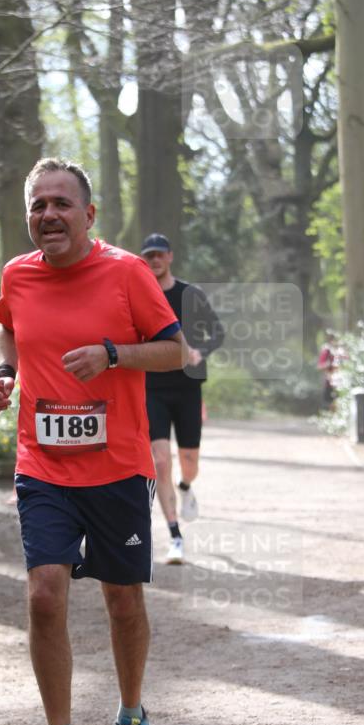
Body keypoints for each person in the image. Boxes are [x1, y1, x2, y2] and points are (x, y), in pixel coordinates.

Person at [0, 158, 183, 725]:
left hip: (118, 466)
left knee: (121, 599)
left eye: (61, 204)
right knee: (45, 593)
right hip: (41, 464)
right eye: (38, 205)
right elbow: (10, 335)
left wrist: (113, 354)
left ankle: (130, 716)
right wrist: (3, 377)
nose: (49, 215)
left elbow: (176, 349)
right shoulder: (18, 276)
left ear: (88, 214)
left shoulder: (126, 272)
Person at [140, 233, 224, 565]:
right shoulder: (141, 296)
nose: (155, 260)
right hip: (152, 388)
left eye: (160, 254)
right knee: (160, 460)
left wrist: (200, 351)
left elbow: (218, 331)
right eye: (149, 256)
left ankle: (186, 486)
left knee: (189, 462)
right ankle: (175, 537)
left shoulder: (190, 294)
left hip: (188, 387)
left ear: (170, 256)